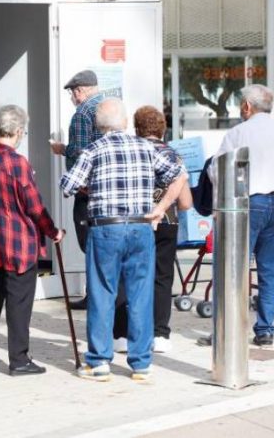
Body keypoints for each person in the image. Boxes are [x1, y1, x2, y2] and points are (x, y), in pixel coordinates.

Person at [60, 98, 187, 382]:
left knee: (103, 291)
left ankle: (99, 361)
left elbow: (67, 185)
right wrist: (160, 209)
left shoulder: (93, 149)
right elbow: (179, 175)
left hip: (105, 227)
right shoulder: (145, 147)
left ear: (97, 125)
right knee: (141, 293)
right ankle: (141, 363)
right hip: (141, 227)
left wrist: (91, 184)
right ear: (126, 122)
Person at [0, 105, 64, 376]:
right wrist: (53, 231)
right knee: (19, 303)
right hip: (17, 242)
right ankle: (19, 360)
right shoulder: (17, 163)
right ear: (19, 131)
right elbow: (34, 206)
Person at [209, 84, 274, 347]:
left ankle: (230, 330)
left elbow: (218, 170)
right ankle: (265, 329)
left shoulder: (239, 133)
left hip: (249, 203)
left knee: (233, 269)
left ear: (247, 106)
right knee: (270, 270)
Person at [113, 106, 193, 355]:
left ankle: (122, 335)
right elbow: (186, 203)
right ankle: (160, 334)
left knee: (126, 276)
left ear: (136, 129)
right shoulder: (173, 155)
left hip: (134, 221)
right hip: (167, 222)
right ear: (163, 128)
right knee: (161, 277)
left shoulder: (130, 151)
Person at [50, 69, 106, 310]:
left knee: (89, 243)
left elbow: (82, 152)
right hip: (106, 188)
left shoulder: (83, 113)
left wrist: (62, 148)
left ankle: (95, 296)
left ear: (79, 91)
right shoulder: (108, 107)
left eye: (73, 92)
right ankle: (105, 293)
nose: (72, 97)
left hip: (86, 190)